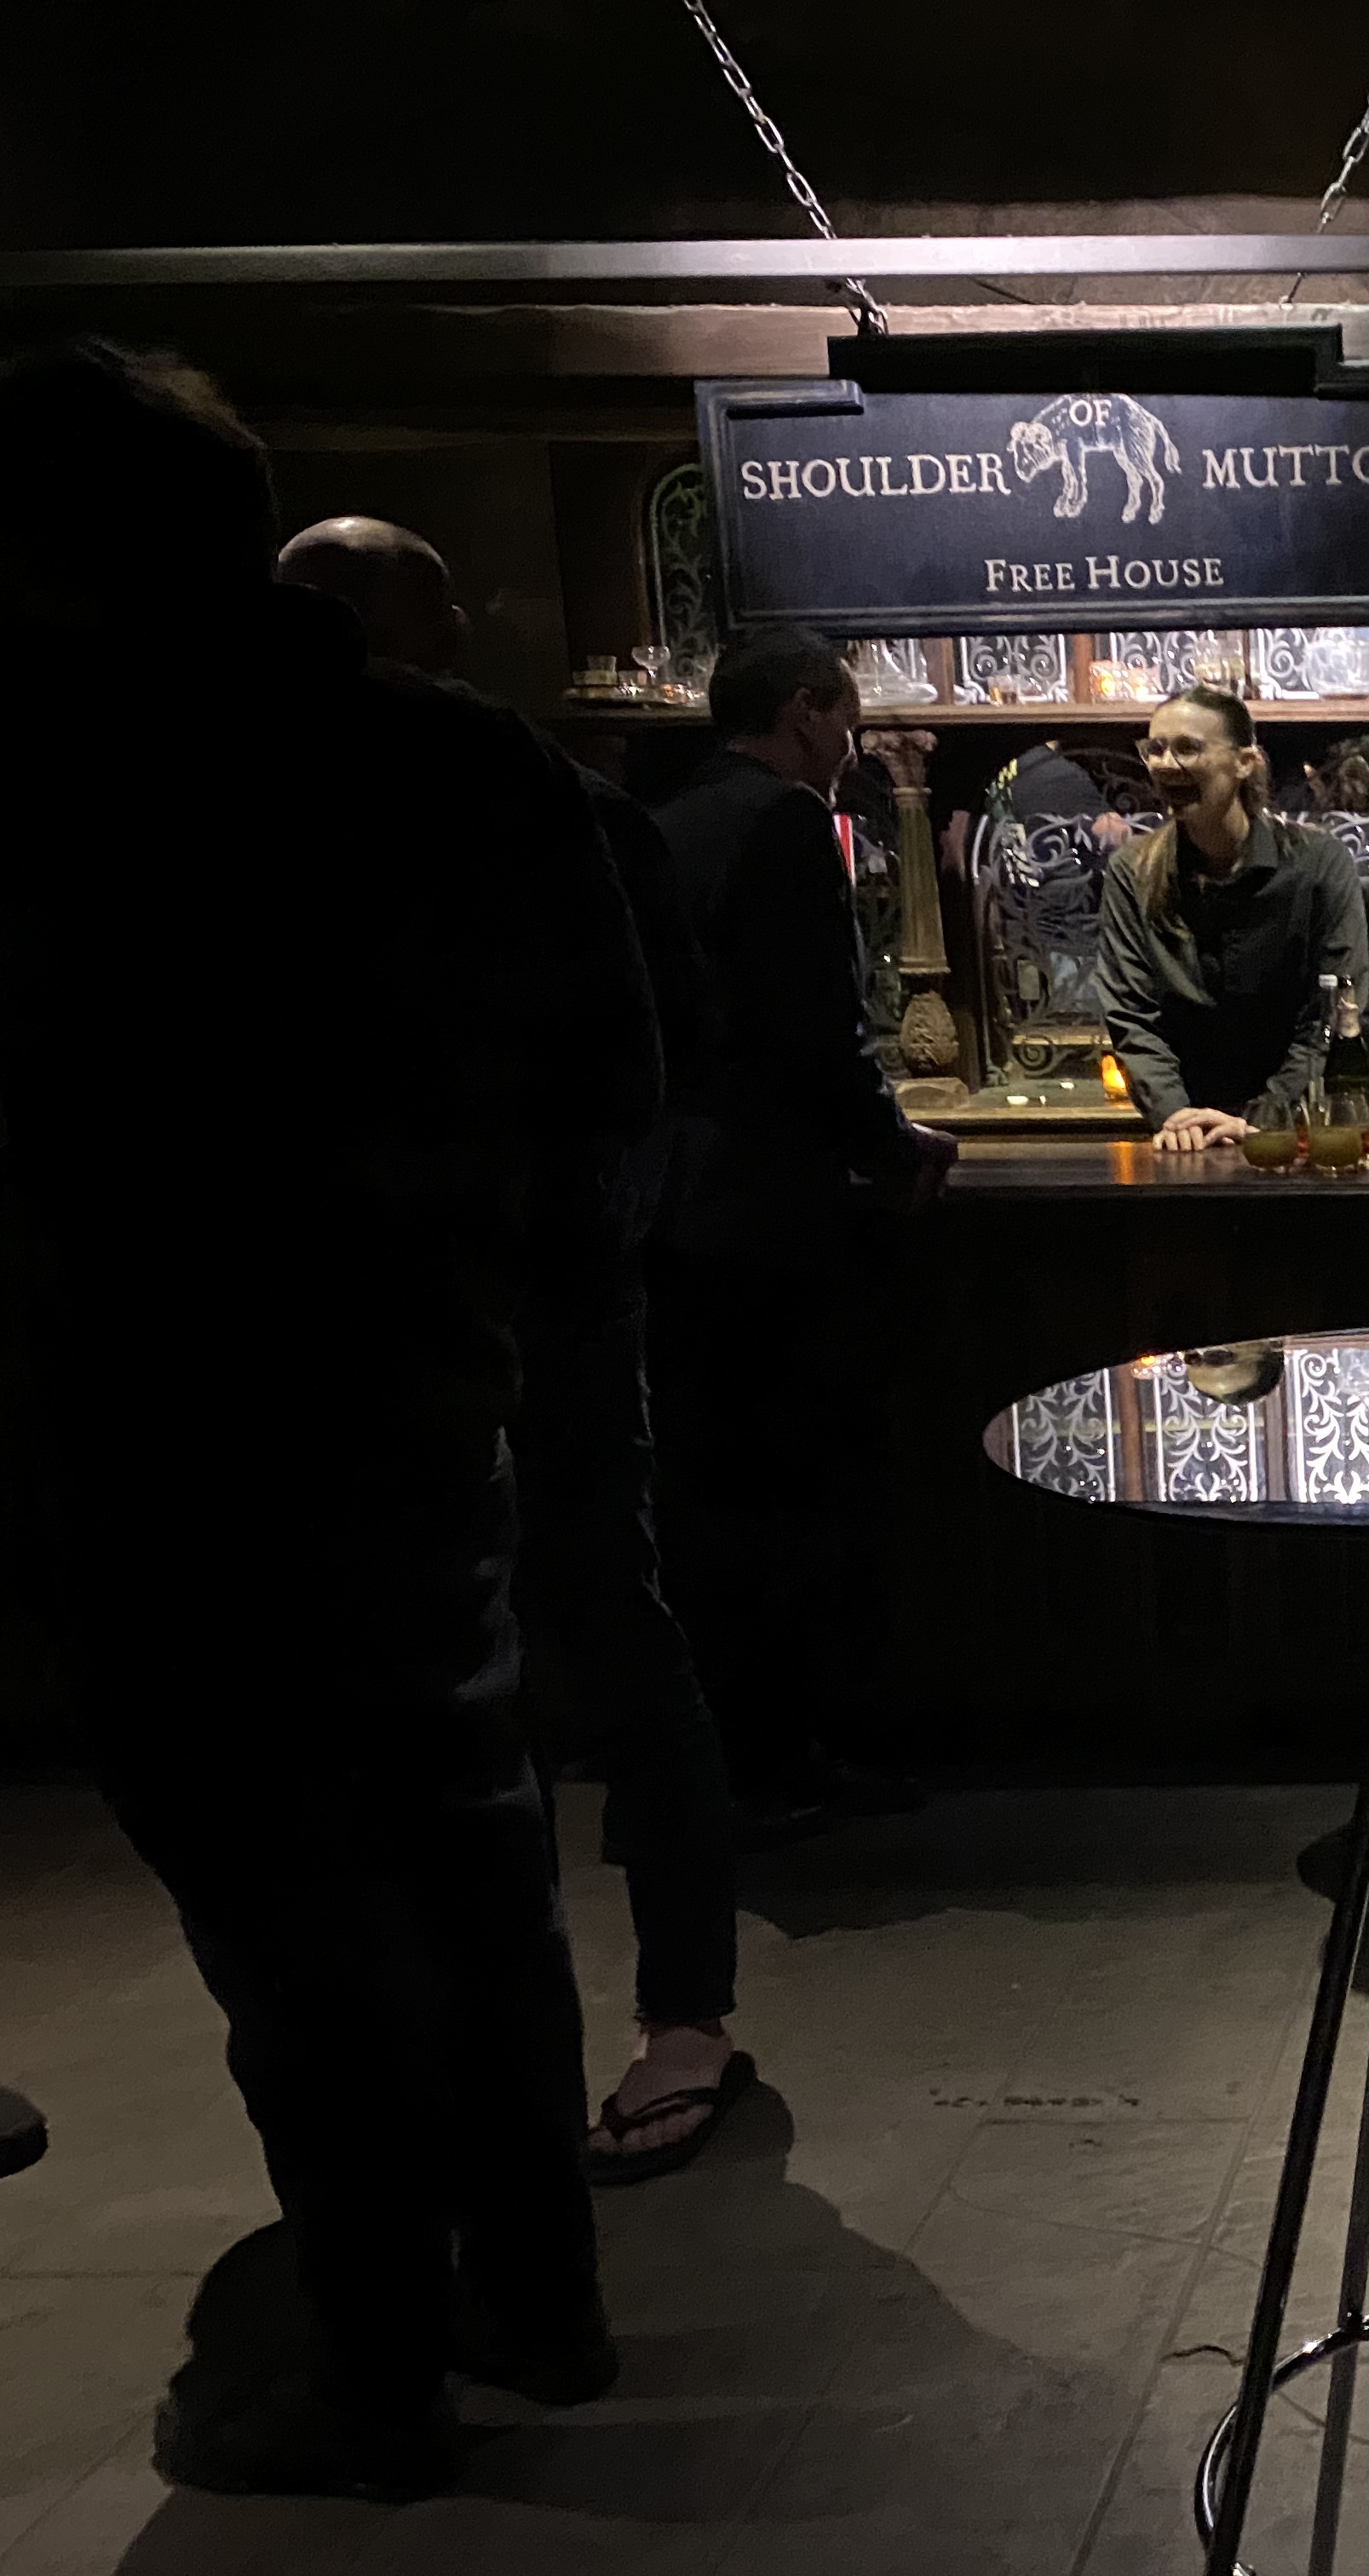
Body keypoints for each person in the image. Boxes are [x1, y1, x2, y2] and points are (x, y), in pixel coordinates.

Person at [1, 341, 647, 2493]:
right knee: (470, 1858)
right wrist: (526, 1353)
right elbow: (604, 1101)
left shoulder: (69, 788)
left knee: (291, 1910)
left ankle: (377, 2369)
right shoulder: (467, 767)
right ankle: (543, 2301)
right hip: (420, 1395)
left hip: (160, 1418)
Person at [274, 516, 751, 2182]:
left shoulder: (534, 797)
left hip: (522, 1314)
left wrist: (564, 1279)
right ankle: (505, 2049)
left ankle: (677, 2010)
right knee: (482, 1681)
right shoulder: (276, 802)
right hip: (424, 1316)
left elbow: (642, 1072)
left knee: (601, 1641)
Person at [648, 629, 958, 1841]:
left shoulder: (669, 821)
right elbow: (811, 1031)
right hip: (767, 1221)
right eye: (850, 720)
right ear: (810, 712)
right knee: (790, 1500)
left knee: (706, 1507)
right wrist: (895, 1149)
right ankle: (786, 1763)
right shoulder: (783, 824)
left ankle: (715, 1762)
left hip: (681, 1210)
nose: (858, 746)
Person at [1092, 685, 1368, 1149]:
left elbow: (1335, 1011)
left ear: (1245, 762)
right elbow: (1132, 1015)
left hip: (1302, 1132)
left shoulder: (1317, 863)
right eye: (1154, 749)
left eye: (1186, 748)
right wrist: (1176, 1115)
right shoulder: (1133, 870)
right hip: (1185, 1138)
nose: (1164, 763)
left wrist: (1264, 1120)